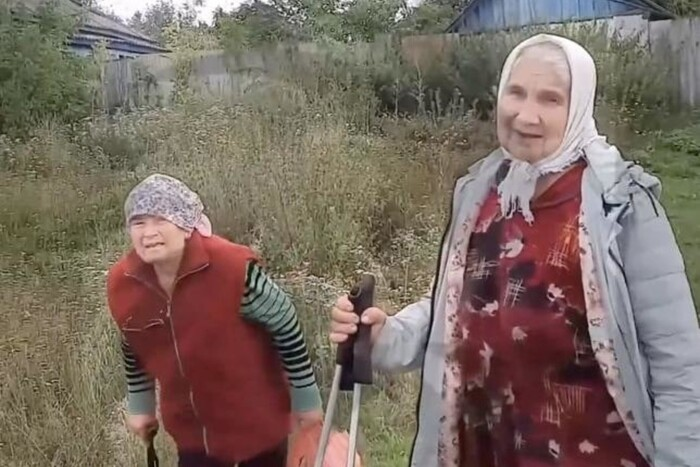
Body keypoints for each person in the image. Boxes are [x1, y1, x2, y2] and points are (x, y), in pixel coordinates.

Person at [329, 33, 700, 467]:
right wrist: (386, 335)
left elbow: (679, 365)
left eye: (550, 99)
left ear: (578, 107)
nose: (527, 115)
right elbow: (461, 306)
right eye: (516, 93)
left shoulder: (620, 205)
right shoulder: (481, 191)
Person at [106, 173, 323, 467]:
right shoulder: (125, 282)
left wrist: (306, 401)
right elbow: (133, 341)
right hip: (192, 433)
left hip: (258, 424)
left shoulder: (232, 269)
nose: (148, 232)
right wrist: (141, 404)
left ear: (185, 226)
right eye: (138, 222)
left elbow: (284, 322)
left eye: (160, 220)